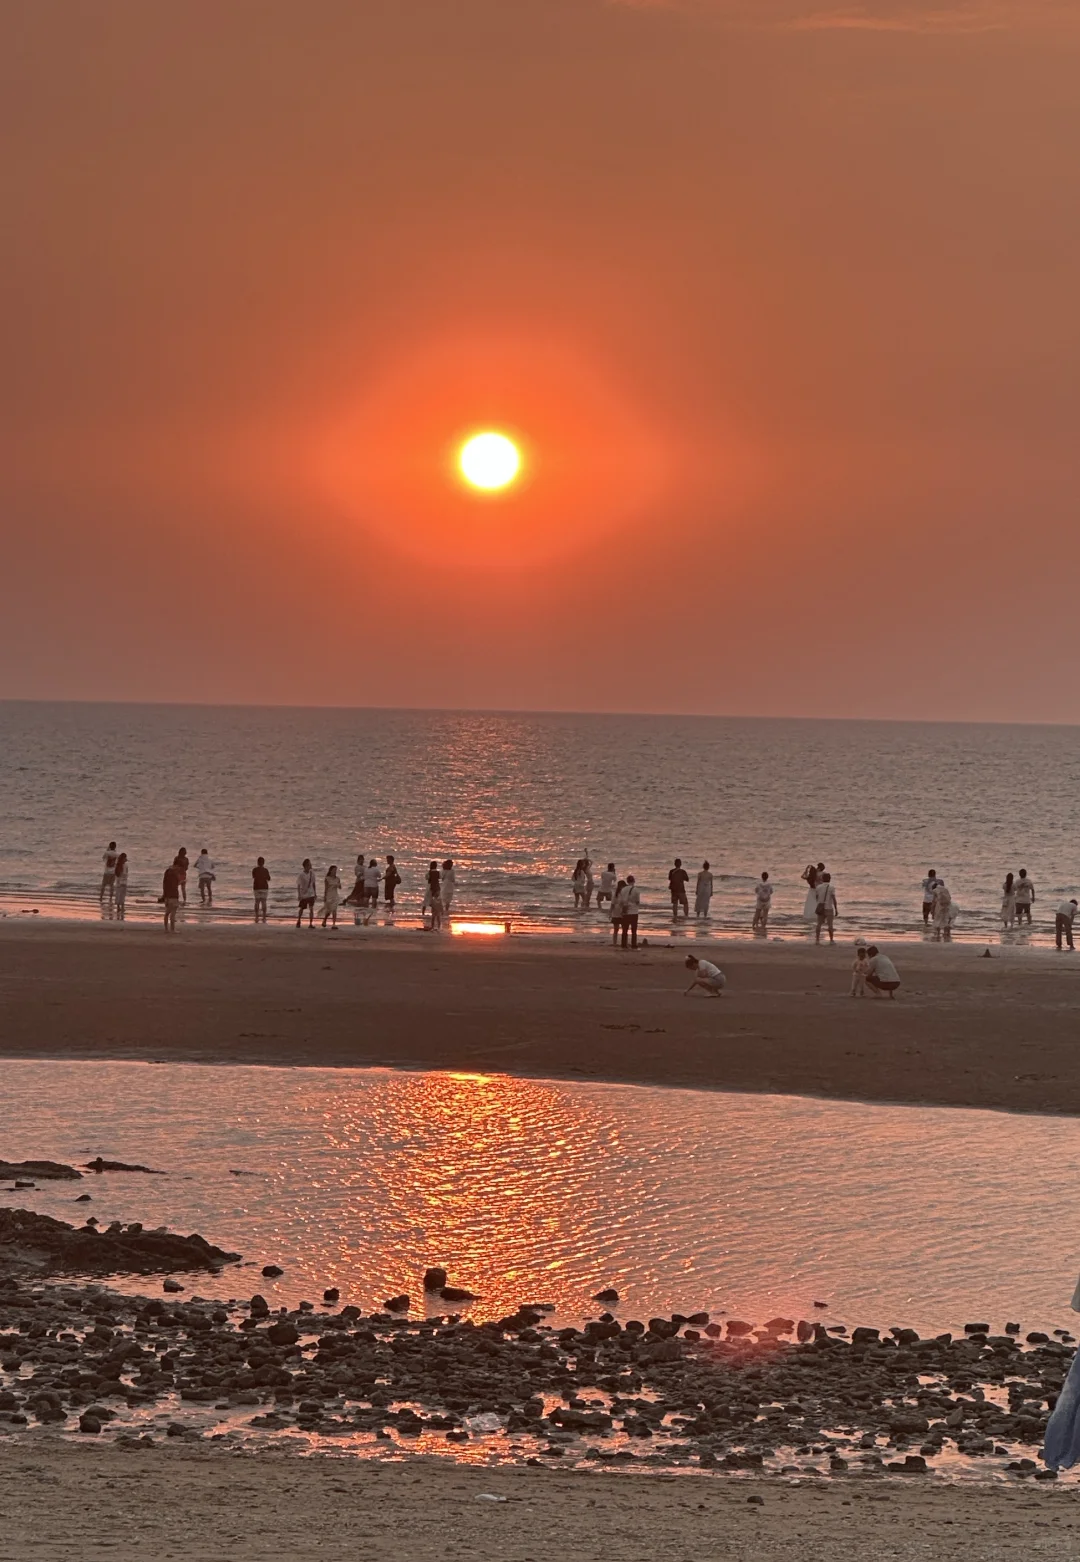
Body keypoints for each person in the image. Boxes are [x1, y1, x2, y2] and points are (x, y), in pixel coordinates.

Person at [813, 873, 837, 943]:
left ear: (822, 879)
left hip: (820, 907)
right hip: (829, 907)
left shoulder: (818, 887)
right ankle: (831, 939)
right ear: (830, 879)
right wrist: (836, 909)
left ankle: (817, 939)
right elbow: (834, 899)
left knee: (819, 924)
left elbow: (816, 898)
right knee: (830, 925)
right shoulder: (831, 887)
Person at [621, 874, 641, 949]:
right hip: (634, 911)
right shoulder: (636, 890)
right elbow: (637, 901)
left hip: (625, 911)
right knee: (634, 930)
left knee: (625, 929)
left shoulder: (623, 889)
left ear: (627, 881)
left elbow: (622, 900)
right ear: (633, 881)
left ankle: (623, 944)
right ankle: (633, 944)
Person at [296, 859, 317, 928]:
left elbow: (313, 884)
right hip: (304, 894)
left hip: (311, 893)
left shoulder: (312, 873)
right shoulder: (301, 875)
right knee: (302, 908)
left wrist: (315, 893)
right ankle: (298, 920)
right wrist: (299, 894)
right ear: (305, 866)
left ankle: (310, 923)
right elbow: (298, 885)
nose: (310, 865)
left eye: (310, 864)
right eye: (309, 864)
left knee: (311, 908)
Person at [161, 859, 180, 933]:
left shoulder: (167, 871)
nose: (179, 869)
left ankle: (166, 928)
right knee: (173, 912)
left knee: (167, 912)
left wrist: (164, 894)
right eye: (179, 867)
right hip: (173, 894)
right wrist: (182, 882)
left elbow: (164, 883)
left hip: (167, 894)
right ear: (176, 866)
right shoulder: (174, 873)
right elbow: (175, 884)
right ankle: (172, 929)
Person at [252, 857, 271, 922]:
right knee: (264, 902)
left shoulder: (254, 869)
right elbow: (268, 878)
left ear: (257, 862)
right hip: (264, 887)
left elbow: (253, 876)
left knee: (257, 902)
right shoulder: (265, 870)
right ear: (263, 863)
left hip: (256, 887)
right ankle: (264, 917)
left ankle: (257, 917)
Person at [610, 878, 627, 946]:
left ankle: (624, 942)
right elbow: (612, 904)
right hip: (616, 913)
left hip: (623, 913)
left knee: (624, 929)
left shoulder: (625, 894)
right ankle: (614, 942)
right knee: (616, 929)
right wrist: (610, 912)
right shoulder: (616, 894)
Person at [426, 861, 443, 930]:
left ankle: (433, 925)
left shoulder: (429, 872)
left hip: (432, 888)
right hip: (437, 888)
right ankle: (438, 925)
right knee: (438, 903)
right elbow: (441, 877)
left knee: (433, 904)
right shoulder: (438, 872)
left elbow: (426, 877)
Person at [113, 853, 129, 920]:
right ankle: (122, 907)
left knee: (118, 895)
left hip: (118, 882)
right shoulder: (125, 865)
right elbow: (126, 873)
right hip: (123, 882)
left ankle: (119, 907)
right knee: (122, 895)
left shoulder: (117, 865)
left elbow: (117, 875)